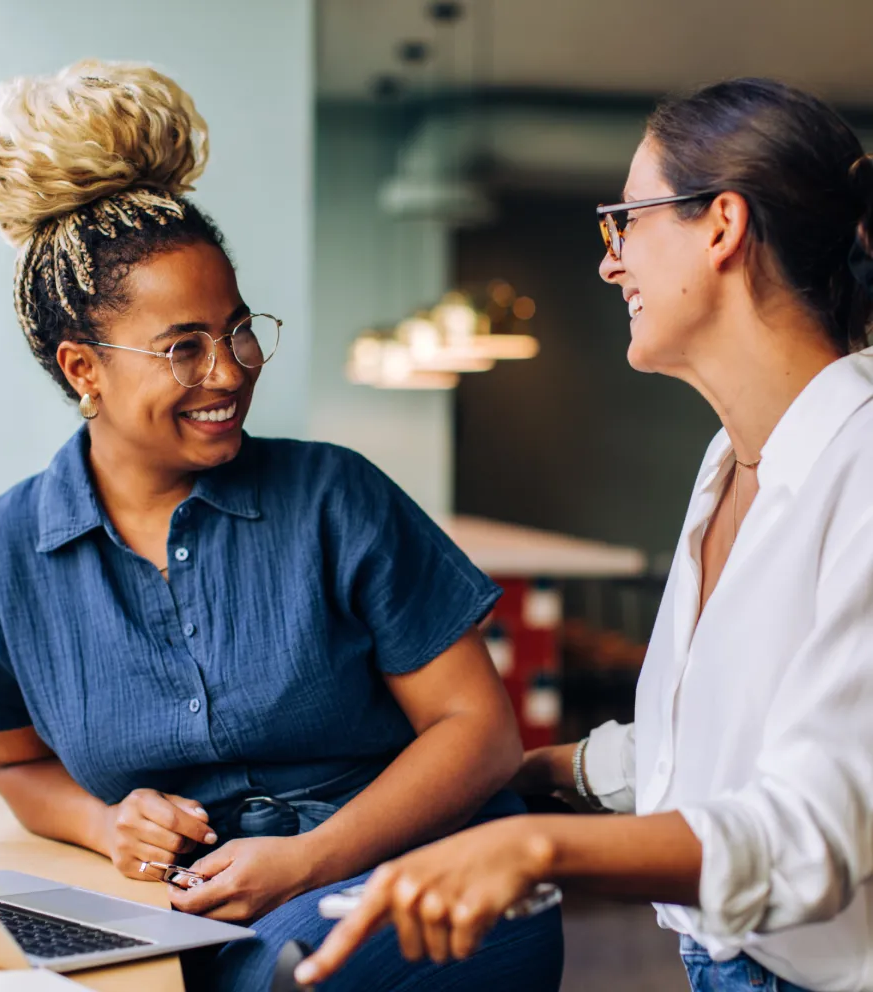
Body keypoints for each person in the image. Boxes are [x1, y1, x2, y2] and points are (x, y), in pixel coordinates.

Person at [0, 60, 563, 991]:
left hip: (435, 869)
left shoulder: (337, 496)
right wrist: (107, 824)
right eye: (184, 347)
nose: (231, 370)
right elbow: (14, 763)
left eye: (238, 329)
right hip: (205, 905)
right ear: (82, 369)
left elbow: (480, 731)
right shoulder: (1, 554)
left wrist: (309, 858)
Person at [297, 78, 873, 992]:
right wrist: (527, 774)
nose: (610, 263)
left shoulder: (863, 467)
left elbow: (816, 829)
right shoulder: (732, 456)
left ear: (721, 226)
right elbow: (719, 748)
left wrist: (540, 847)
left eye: (627, 221)